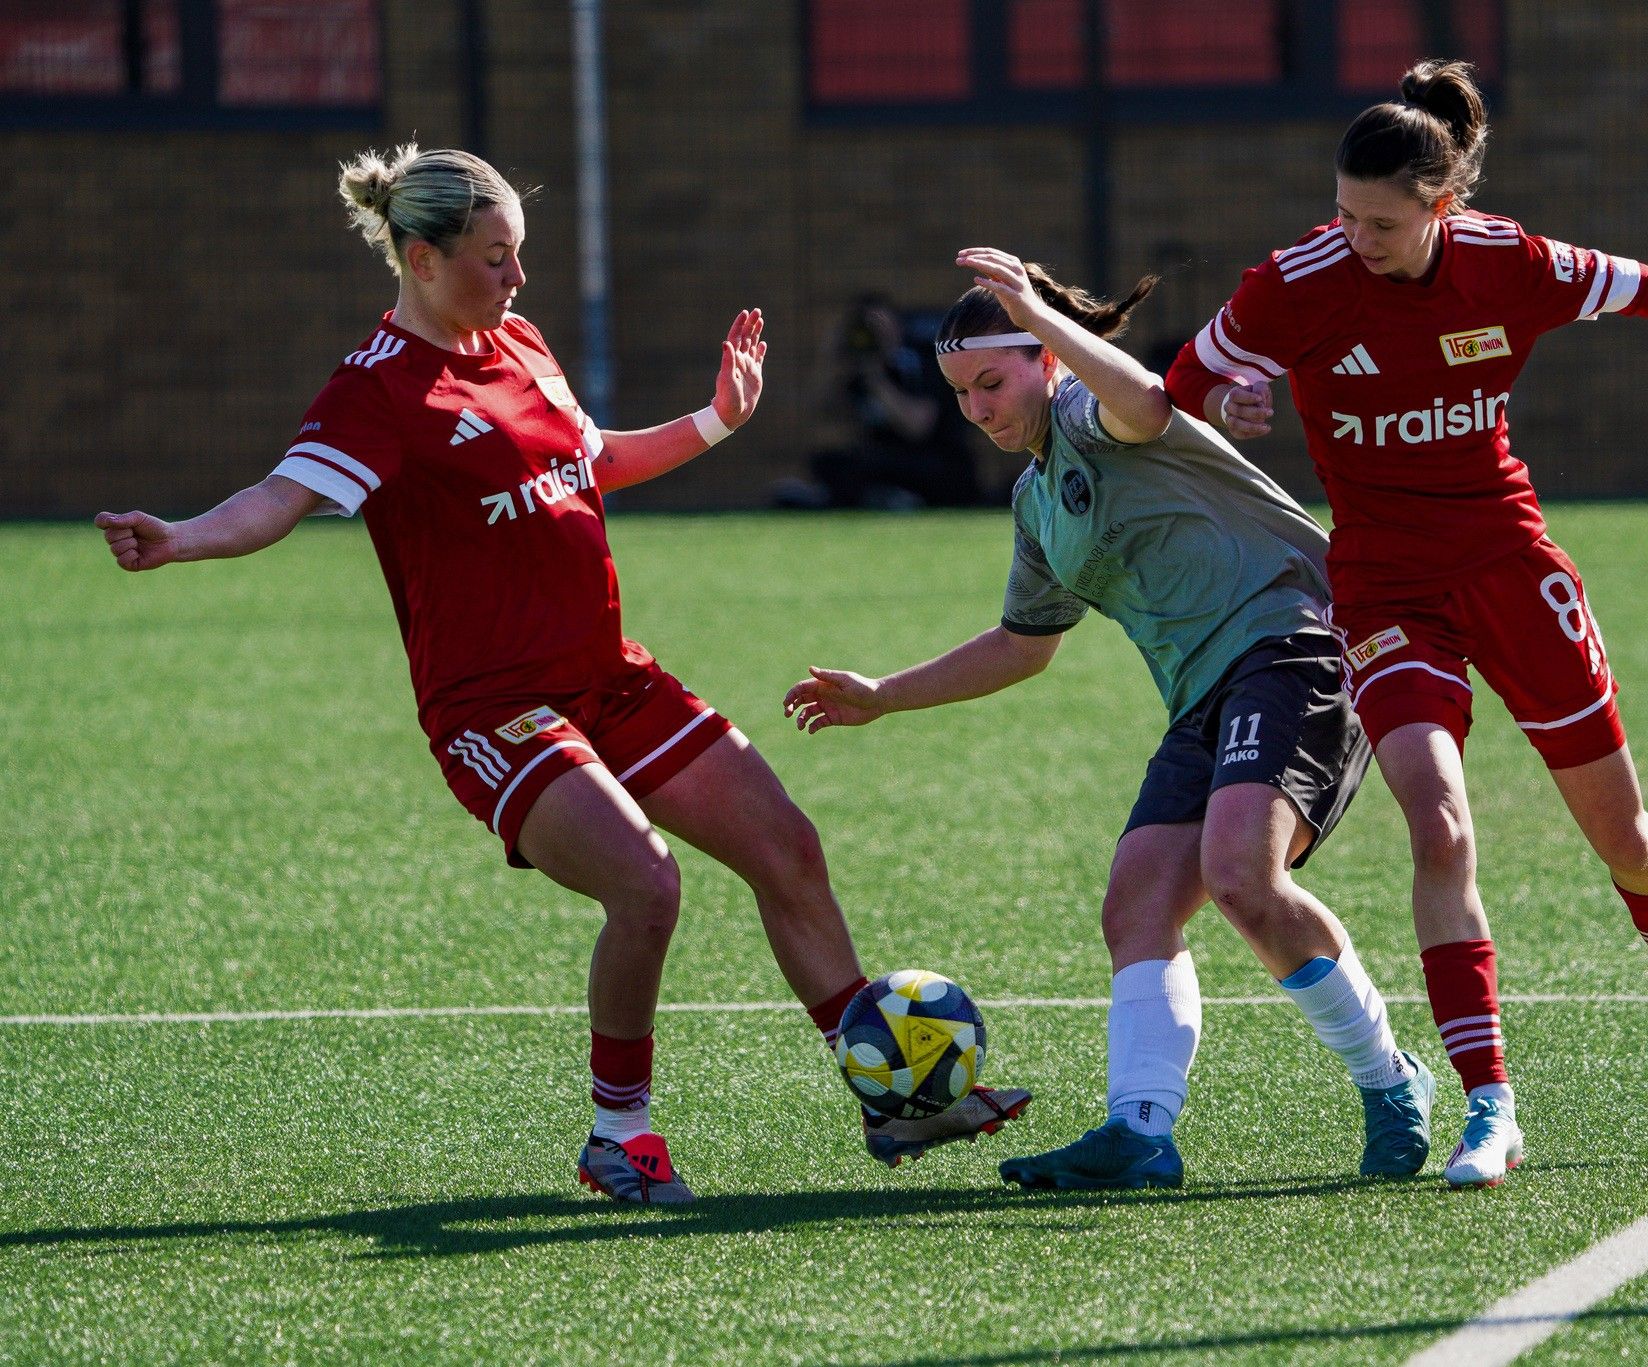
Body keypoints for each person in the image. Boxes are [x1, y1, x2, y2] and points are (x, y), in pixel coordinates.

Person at [93, 144, 1027, 1205]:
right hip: (495, 711)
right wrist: (179, 537)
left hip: (609, 676)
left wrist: (719, 416)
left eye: (519, 255)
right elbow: (275, 500)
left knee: (787, 848)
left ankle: (893, 1095)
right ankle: (615, 1134)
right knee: (646, 883)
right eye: (495, 258)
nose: (516, 278)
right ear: (420, 257)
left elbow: (594, 459)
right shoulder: (378, 392)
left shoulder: (520, 342)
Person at [1163, 60, 1648, 1187]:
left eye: (1379, 221)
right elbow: (1180, 390)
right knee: (1439, 823)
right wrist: (1231, 396)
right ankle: (1491, 1109)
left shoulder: (1511, 263)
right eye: (1340, 211)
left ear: (1444, 207)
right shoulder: (1295, 281)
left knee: (1621, 834)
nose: (1353, 236)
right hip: (1385, 587)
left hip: (1507, 564)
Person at [783, 247, 1436, 1190]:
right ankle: (1140, 1131)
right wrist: (884, 695)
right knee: (1136, 902)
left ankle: (1390, 1079)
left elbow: (1144, 402)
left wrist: (1048, 324)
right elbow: (1023, 644)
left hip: (1294, 647)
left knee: (1242, 875)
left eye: (993, 381)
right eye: (962, 391)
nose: (978, 408)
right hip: (1204, 695)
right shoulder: (1035, 498)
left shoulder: (1092, 411)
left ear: (1046, 359)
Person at [775, 294, 986, 510]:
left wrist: (877, 377)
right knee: (830, 463)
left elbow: (918, 426)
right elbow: (817, 412)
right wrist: (832, 356)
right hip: (879, 459)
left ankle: (889, 498)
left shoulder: (921, 362)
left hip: (931, 459)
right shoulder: (855, 370)